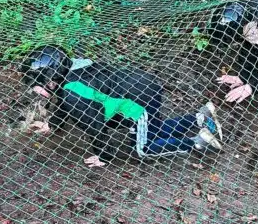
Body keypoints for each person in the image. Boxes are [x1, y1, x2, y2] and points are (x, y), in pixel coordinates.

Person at [22, 46, 223, 167]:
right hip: (145, 85)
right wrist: (53, 125)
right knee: (152, 130)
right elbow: (63, 105)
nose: (35, 91)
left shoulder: (72, 94)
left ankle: (197, 141)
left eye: (37, 85)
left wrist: (104, 156)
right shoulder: (75, 69)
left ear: (50, 78)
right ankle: (200, 117)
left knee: (144, 148)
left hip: (137, 103)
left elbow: (94, 127)